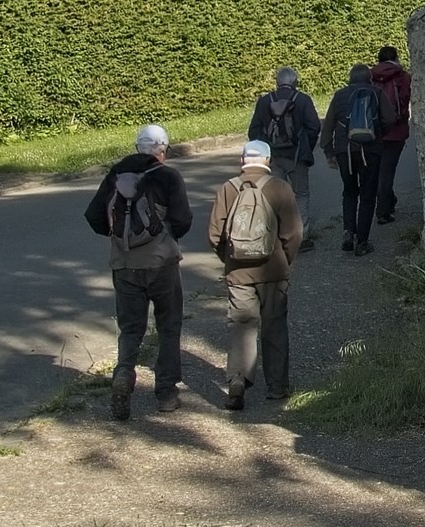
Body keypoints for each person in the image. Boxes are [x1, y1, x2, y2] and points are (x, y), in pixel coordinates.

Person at [86, 123, 193, 420]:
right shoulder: (168, 176)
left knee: (131, 328)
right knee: (168, 326)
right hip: (162, 264)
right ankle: (167, 393)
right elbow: (183, 221)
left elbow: (94, 216)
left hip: (124, 265)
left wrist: (120, 239)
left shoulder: (115, 175)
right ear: (162, 150)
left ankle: (123, 374)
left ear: (137, 147)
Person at [203, 137, 305, 412]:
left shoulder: (229, 188)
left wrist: (230, 260)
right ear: (268, 160)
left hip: (238, 274)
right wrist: (284, 260)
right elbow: (294, 233)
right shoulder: (280, 187)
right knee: (274, 327)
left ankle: (237, 380)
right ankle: (277, 387)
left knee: (241, 326)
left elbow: (214, 234)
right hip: (274, 271)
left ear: (242, 161)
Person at [322, 62, 382, 256]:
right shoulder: (377, 93)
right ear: (369, 78)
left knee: (349, 191)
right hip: (370, 151)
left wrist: (329, 152)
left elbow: (328, 125)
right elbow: (389, 119)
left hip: (344, 151)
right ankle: (362, 242)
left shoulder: (340, 95)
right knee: (368, 194)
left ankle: (348, 232)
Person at [249, 67, 322, 212]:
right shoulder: (303, 100)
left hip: (273, 156)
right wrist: (306, 147)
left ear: (277, 82)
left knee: (275, 197)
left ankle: (277, 231)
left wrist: (264, 151)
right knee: (301, 194)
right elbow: (314, 127)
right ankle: (302, 232)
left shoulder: (264, 101)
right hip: (297, 155)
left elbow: (253, 131)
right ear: (295, 82)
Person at [367, 42, 415, 233]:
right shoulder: (403, 77)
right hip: (396, 130)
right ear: (396, 58)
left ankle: (389, 200)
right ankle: (383, 211)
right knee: (387, 171)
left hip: (374, 130)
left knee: (379, 168)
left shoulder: (370, 76)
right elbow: (405, 100)